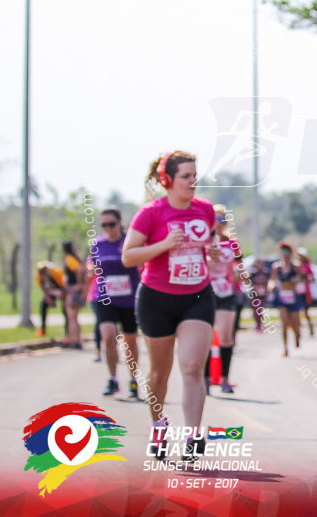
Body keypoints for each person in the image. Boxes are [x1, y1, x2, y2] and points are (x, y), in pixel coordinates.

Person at [122, 151, 220, 462]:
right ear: (168, 180)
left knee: (192, 367)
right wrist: (164, 245)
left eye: (195, 175)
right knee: (159, 374)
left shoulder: (205, 209)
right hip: (157, 299)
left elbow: (211, 239)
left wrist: (214, 249)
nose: (193, 181)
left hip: (197, 296)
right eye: (186, 176)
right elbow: (129, 256)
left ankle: (193, 436)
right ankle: (158, 425)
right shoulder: (150, 213)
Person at [87, 207, 142, 398]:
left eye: (112, 224)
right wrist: (90, 269)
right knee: (108, 336)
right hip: (104, 297)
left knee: (130, 341)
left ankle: (133, 380)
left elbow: (142, 264)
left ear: (120, 223)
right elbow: (91, 263)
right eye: (104, 225)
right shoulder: (97, 244)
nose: (108, 228)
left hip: (129, 298)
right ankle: (113, 379)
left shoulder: (130, 242)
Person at [204, 204, 241, 394]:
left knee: (226, 337)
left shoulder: (231, 243)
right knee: (206, 337)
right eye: (215, 219)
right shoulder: (202, 241)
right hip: (206, 292)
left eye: (222, 220)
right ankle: (206, 379)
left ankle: (225, 378)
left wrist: (237, 274)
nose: (218, 223)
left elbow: (237, 266)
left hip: (226, 292)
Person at [270, 242, 304, 356]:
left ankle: (297, 336)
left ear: (291, 253)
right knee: (284, 323)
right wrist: (270, 286)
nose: (285, 254)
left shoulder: (296, 266)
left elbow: (302, 278)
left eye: (287, 251)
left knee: (295, 323)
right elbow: (272, 280)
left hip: (293, 297)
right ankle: (285, 348)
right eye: (283, 251)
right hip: (282, 297)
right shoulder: (277, 267)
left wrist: (296, 280)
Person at [62, 241, 85, 349]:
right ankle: (77, 339)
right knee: (74, 317)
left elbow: (79, 270)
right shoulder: (74, 258)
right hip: (76, 290)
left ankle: (74, 340)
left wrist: (79, 284)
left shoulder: (69, 259)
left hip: (73, 290)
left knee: (71, 317)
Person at [34, 262, 67, 338]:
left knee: (65, 311)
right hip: (50, 292)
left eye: (45, 271)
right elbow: (44, 290)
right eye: (42, 273)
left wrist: (63, 300)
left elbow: (64, 287)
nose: (44, 274)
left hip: (61, 291)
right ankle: (43, 329)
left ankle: (67, 332)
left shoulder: (57, 273)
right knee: (43, 305)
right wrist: (49, 299)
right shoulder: (38, 277)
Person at [297, 247, 315, 337]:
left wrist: (306, 280)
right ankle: (298, 331)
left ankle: (311, 328)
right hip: (297, 292)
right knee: (297, 313)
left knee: (306, 313)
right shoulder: (295, 265)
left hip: (305, 292)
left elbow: (312, 279)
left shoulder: (307, 266)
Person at [249, 258, 269, 333]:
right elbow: (249, 282)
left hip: (263, 295)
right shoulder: (253, 273)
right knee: (255, 310)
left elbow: (269, 282)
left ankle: (259, 325)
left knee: (260, 309)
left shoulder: (266, 272)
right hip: (255, 295)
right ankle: (257, 323)